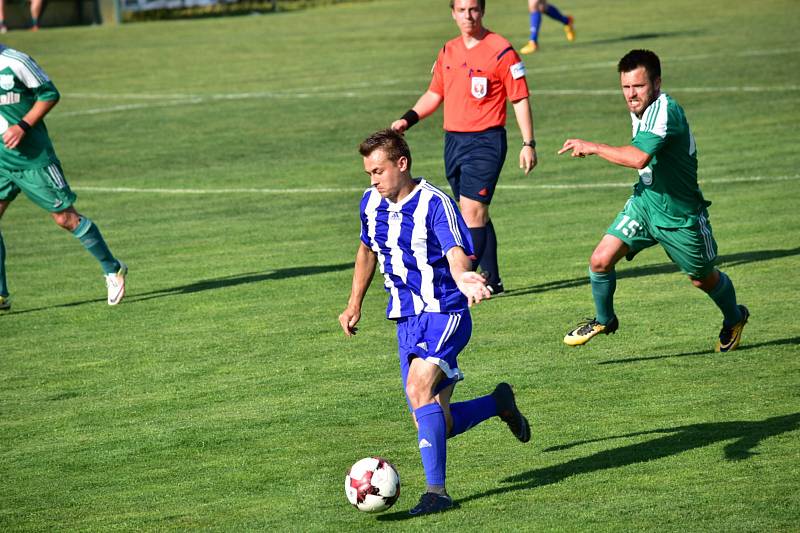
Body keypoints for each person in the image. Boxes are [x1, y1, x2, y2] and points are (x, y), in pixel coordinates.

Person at [339, 129, 531, 516]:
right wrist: (353, 303)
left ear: (402, 164)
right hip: (406, 320)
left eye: (378, 171)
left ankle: (437, 493)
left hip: (445, 311)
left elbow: (457, 252)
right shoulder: (370, 204)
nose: (373, 180)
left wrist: (464, 277)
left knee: (417, 387)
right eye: (369, 174)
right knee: (434, 421)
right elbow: (366, 250)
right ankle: (498, 403)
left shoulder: (434, 203)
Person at [558, 49, 749, 352]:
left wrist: (594, 146)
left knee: (702, 279)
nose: (631, 95)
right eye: (626, 87)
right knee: (600, 261)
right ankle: (604, 319)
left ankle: (735, 317)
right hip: (646, 204)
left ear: (656, 84)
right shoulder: (641, 108)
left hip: (680, 215)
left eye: (639, 86)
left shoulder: (664, 111)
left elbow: (638, 158)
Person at [391, 0, 537, 296]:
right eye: (461, 10)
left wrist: (528, 143)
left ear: (482, 11)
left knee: (472, 212)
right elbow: (435, 93)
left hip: (486, 141)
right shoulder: (448, 50)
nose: (468, 16)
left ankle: (463, 283)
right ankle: (493, 279)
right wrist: (407, 120)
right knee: (475, 212)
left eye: (473, 9)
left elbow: (519, 97)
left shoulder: (502, 50)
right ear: (453, 13)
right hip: (454, 142)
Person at [0, 44, 126, 312]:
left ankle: (112, 269)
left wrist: (22, 126)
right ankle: (0, 294)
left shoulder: (16, 62)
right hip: (1, 161)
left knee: (65, 219)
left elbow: (49, 94)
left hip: (34, 159)